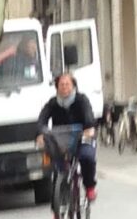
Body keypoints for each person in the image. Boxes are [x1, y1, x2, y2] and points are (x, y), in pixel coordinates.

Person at [37, 67, 98, 205]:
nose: (64, 87)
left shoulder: (81, 100)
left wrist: (89, 128)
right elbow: (42, 119)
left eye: (67, 84)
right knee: (57, 168)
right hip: (62, 141)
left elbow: (88, 116)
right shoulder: (53, 103)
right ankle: (59, 207)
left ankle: (89, 187)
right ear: (57, 87)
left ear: (73, 86)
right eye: (61, 84)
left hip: (82, 137)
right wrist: (40, 133)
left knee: (87, 157)